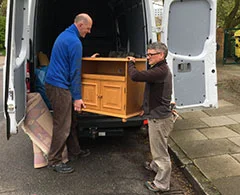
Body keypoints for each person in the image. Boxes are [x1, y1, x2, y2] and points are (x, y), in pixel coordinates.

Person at [45, 13, 92, 174]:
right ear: (80, 25)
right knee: (62, 125)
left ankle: (75, 151)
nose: (89, 31)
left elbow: (71, 60)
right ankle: (54, 160)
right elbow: (75, 72)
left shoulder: (66, 36)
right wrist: (77, 97)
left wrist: (87, 60)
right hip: (59, 87)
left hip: (55, 83)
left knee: (71, 121)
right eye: (88, 28)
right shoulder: (74, 41)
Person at [127, 42, 174, 192]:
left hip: (160, 118)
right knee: (157, 145)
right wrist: (144, 109)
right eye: (147, 54)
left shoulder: (160, 71)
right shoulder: (158, 69)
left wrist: (131, 63)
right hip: (158, 115)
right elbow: (152, 94)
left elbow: (135, 76)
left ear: (161, 55)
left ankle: (161, 184)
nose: (148, 58)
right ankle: (155, 166)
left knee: (160, 152)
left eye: (150, 55)